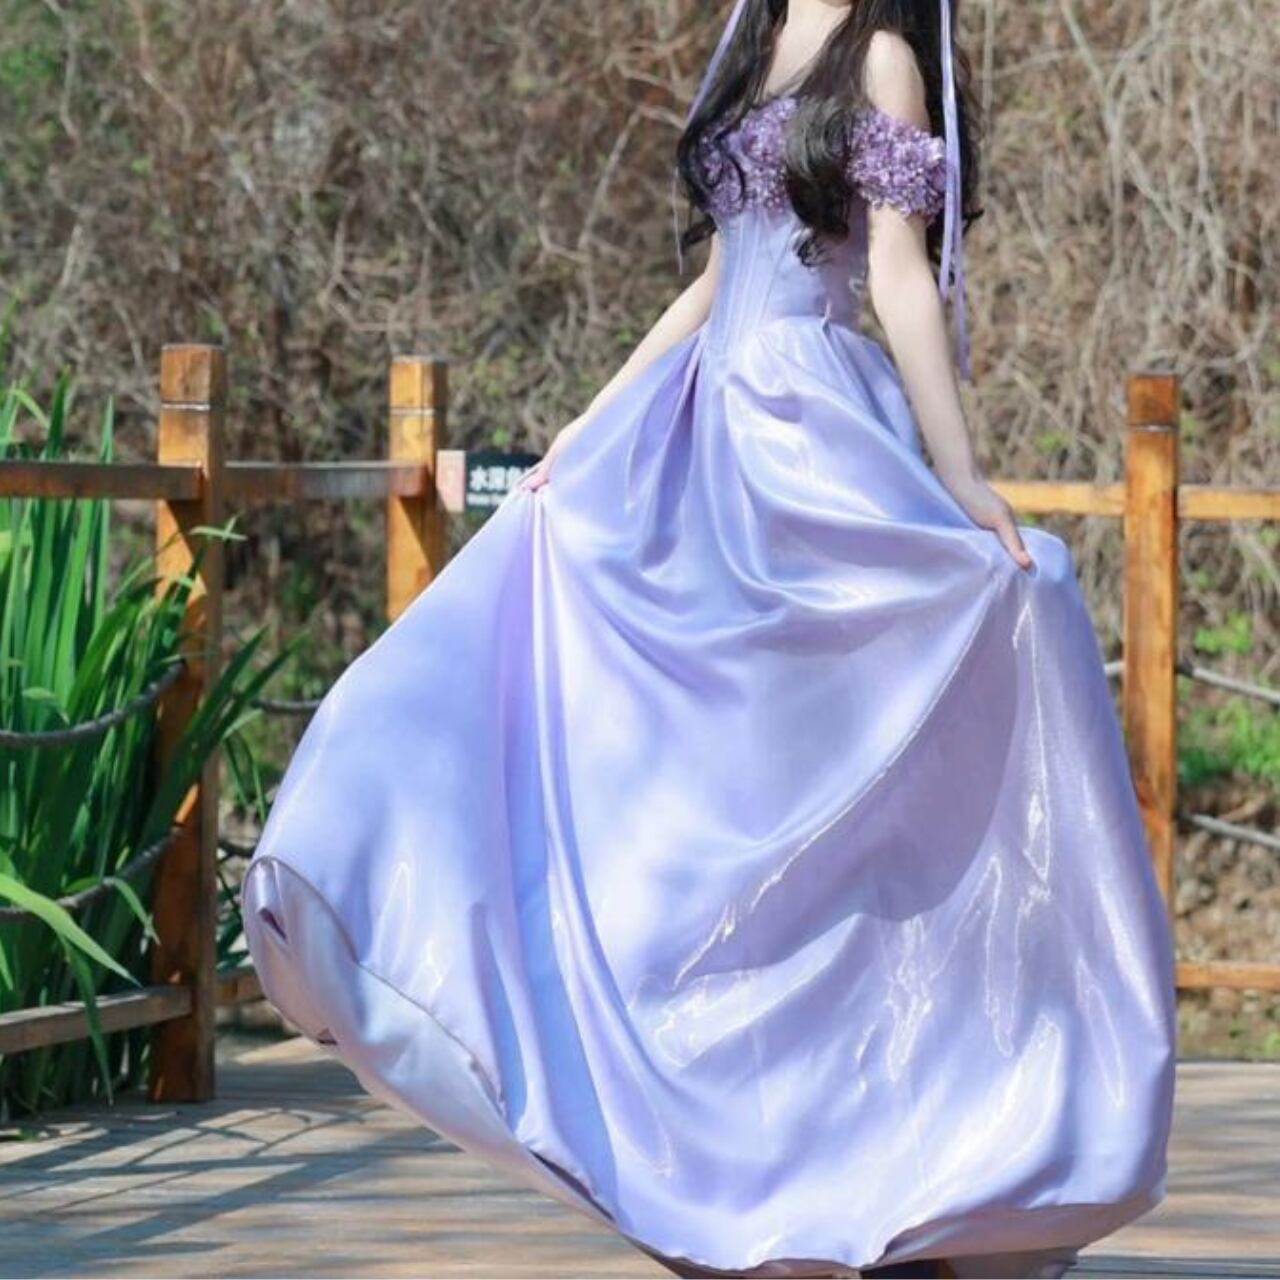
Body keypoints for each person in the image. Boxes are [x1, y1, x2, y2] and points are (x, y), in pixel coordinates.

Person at [242, 2, 1178, 1277]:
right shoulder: (751, 43)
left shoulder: (879, 56)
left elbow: (895, 271)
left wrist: (957, 474)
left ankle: (878, 1153)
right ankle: (695, 1134)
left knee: (822, 805)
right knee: (690, 798)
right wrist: (587, 425)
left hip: (808, 436)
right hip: (696, 433)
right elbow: (712, 280)